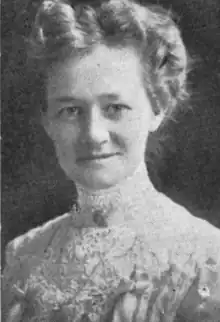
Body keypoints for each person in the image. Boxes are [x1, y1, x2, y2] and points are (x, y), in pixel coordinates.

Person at [2, 0, 220, 321]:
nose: (93, 135)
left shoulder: (206, 259)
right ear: (48, 121)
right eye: (71, 110)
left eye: (115, 108)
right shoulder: (23, 257)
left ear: (157, 108)